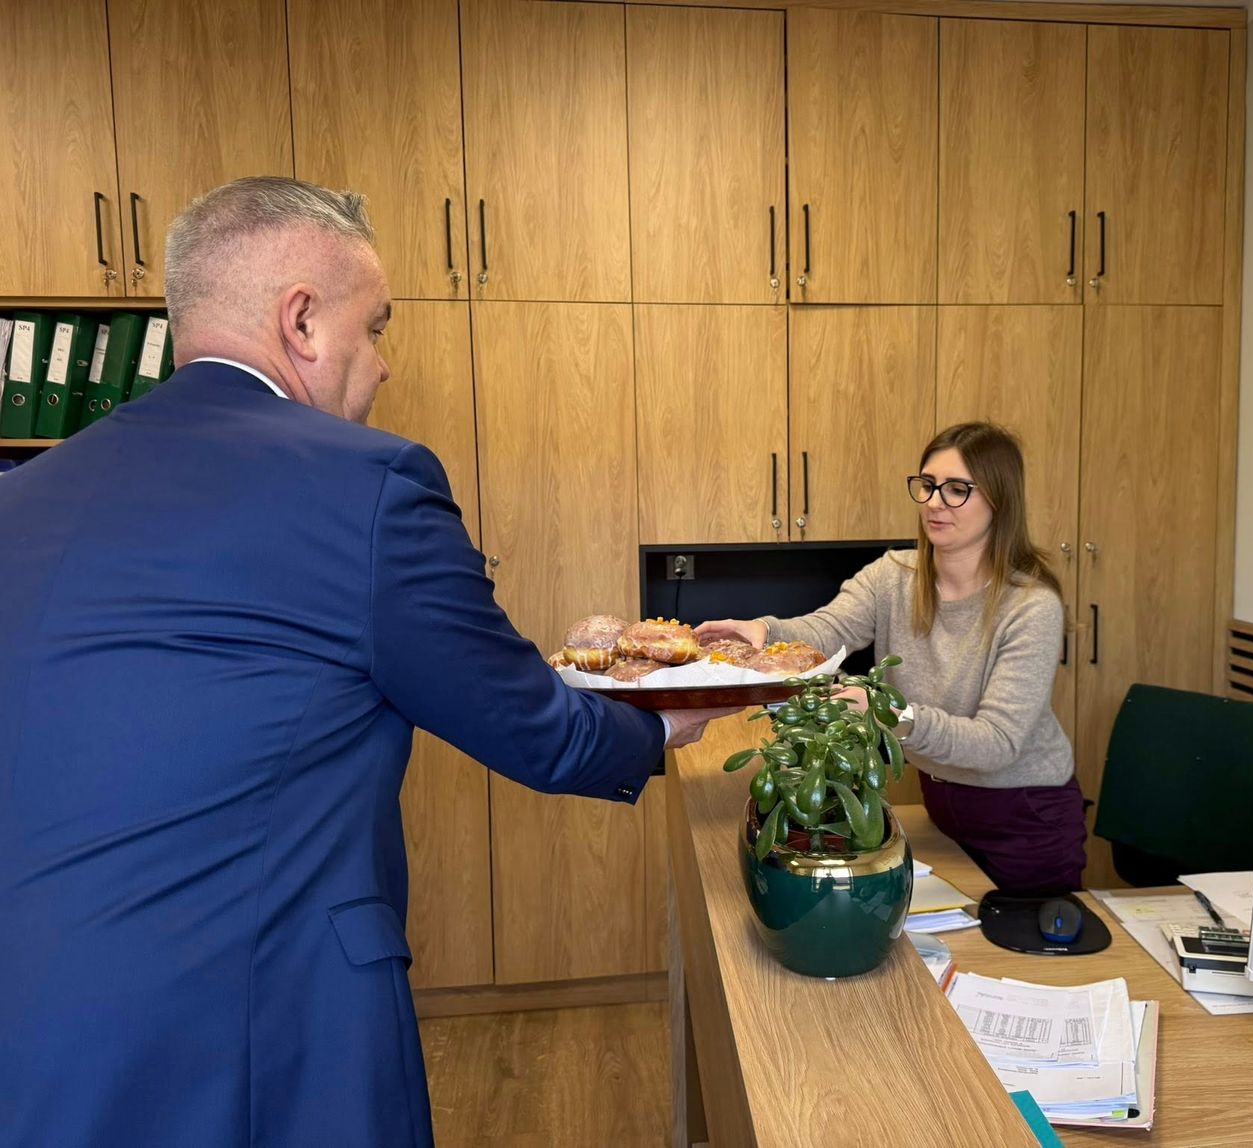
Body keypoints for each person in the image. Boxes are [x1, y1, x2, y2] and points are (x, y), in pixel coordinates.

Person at [0, 177, 725, 1148]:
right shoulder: (368, 484)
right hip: (259, 1039)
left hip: (36, 1042)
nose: (384, 366)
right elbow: (535, 728)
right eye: (376, 326)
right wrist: (669, 715)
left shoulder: (23, 495)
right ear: (300, 320)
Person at [698, 421, 1086, 892]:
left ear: (999, 501)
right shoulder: (893, 575)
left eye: (957, 489)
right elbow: (829, 629)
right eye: (928, 485)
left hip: (1027, 819)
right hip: (943, 808)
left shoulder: (1031, 606)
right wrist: (765, 631)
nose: (934, 502)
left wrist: (887, 714)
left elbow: (997, 743)